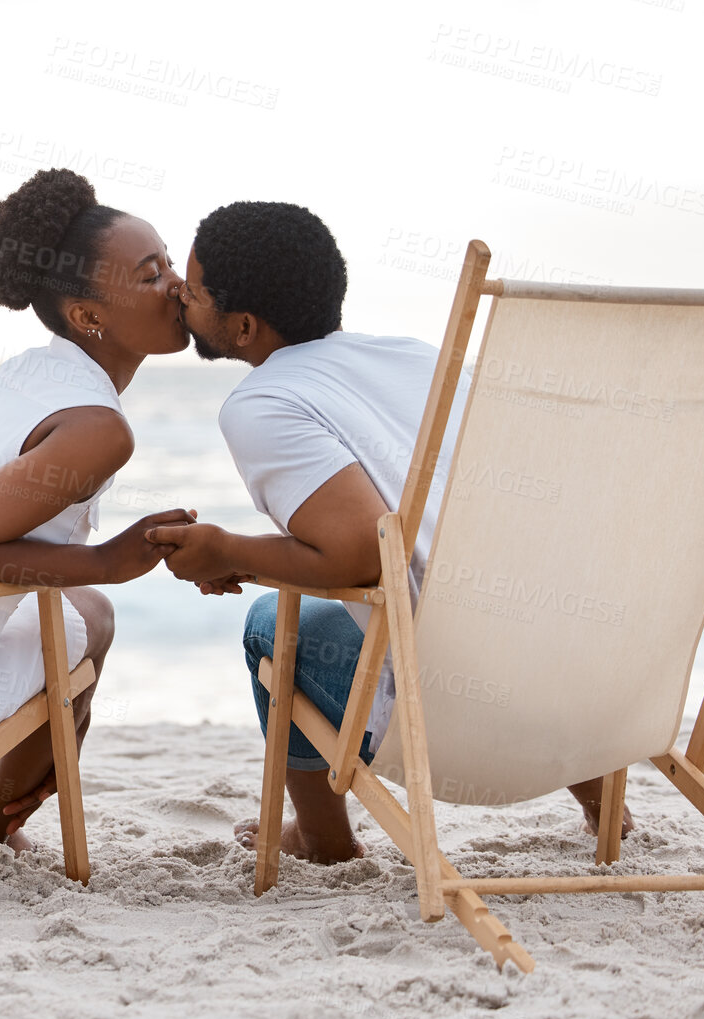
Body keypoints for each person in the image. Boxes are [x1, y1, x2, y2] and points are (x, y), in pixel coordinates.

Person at [146, 201, 631, 863]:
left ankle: (322, 838)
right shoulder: (412, 357)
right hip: (585, 677)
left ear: (241, 326)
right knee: (488, 590)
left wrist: (224, 550)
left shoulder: (263, 403)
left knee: (273, 619)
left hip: (468, 707)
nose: (177, 291)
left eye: (193, 289)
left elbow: (360, 555)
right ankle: (604, 802)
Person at [0, 168, 195, 852]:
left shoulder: (27, 377)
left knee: (84, 611)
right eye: (150, 275)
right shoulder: (97, 428)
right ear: (86, 317)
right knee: (89, 611)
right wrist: (104, 560)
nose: (176, 285)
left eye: (170, 264)